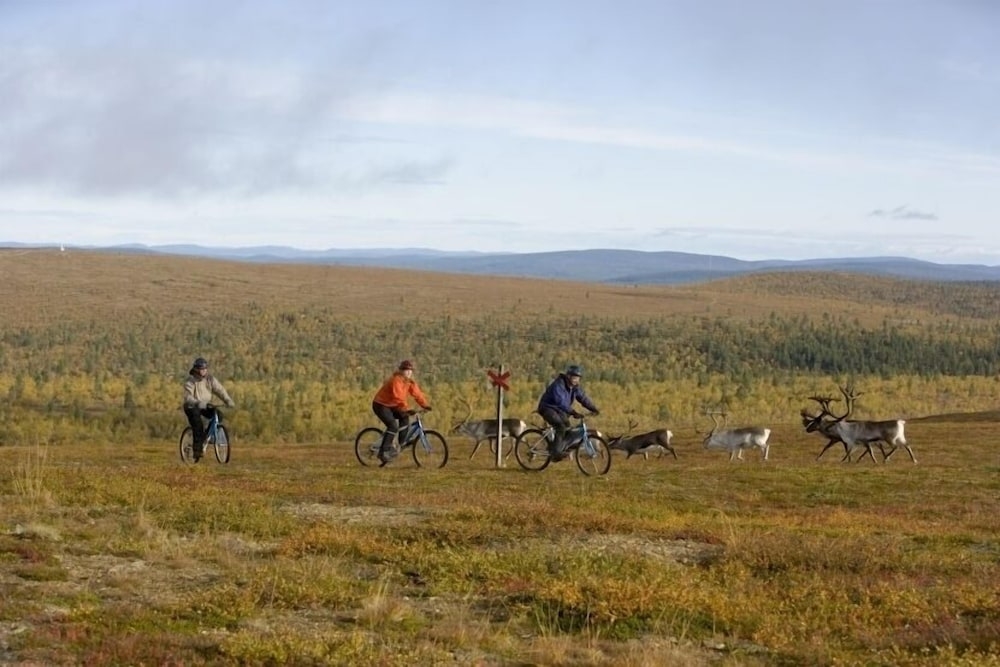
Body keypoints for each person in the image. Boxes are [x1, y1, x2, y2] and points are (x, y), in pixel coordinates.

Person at [372, 359, 432, 466]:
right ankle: (383, 452)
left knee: (405, 418)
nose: (409, 372)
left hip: (393, 406)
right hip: (381, 405)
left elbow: (417, 395)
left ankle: (401, 443)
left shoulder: (410, 382)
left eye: (410, 370)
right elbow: (398, 397)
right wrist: (407, 409)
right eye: (406, 370)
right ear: (401, 371)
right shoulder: (396, 380)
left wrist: (425, 405)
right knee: (393, 426)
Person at [537, 364, 600, 461]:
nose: (576, 380)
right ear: (568, 376)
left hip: (560, 410)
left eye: (578, 378)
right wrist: (573, 412)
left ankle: (558, 447)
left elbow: (583, 398)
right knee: (560, 427)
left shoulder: (575, 388)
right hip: (547, 408)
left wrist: (593, 409)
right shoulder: (558, 385)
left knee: (568, 428)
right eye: (574, 377)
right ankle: (555, 453)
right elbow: (560, 402)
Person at [182, 357, 235, 462]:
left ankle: (207, 436)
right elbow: (188, 397)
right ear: (196, 369)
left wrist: (228, 400)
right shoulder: (191, 381)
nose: (204, 371)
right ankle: (197, 449)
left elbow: (220, 390)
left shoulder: (210, 379)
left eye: (205, 369)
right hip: (192, 406)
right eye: (201, 369)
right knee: (197, 424)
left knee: (218, 415)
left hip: (205, 405)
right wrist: (198, 402)